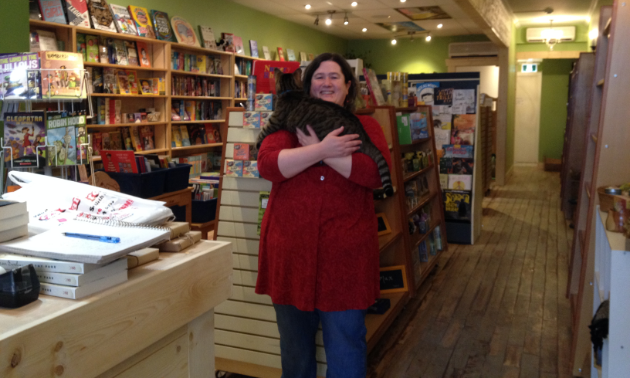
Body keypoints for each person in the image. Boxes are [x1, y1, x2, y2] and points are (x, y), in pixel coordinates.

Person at [256, 52, 392, 378]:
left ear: (348, 87)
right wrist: (320, 150)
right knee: (295, 351)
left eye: (334, 77)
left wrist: (327, 155)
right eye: (319, 76)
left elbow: (374, 173)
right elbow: (268, 165)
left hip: (345, 259)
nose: (326, 82)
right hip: (291, 255)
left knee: (346, 346)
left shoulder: (366, 126)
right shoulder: (288, 121)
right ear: (308, 84)